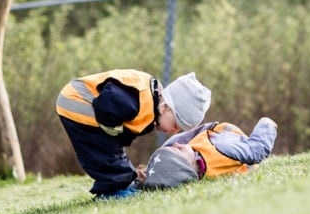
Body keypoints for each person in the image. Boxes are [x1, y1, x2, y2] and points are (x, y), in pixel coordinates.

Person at [56, 69, 211, 200]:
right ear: (165, 108)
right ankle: (112, 191)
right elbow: (108, 99)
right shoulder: (138, 99)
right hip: (78, 101)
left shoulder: (151, 106)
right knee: (102, 151)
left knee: (111, 150)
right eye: (176, 125)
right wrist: (113, 130)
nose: (174, 132)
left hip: (89, 107)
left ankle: (121, 182)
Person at [139, 117, 277, 189]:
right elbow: (256, 149)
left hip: (223, 132)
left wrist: (266, 125)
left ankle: (154, 170)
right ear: (185, 166)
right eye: (177, 149)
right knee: (169, 151)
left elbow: (256, 149)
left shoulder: (223, 147)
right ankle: (154, 172)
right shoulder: (222, 150)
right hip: (211, 142)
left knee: (170, 146)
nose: (176, 145)